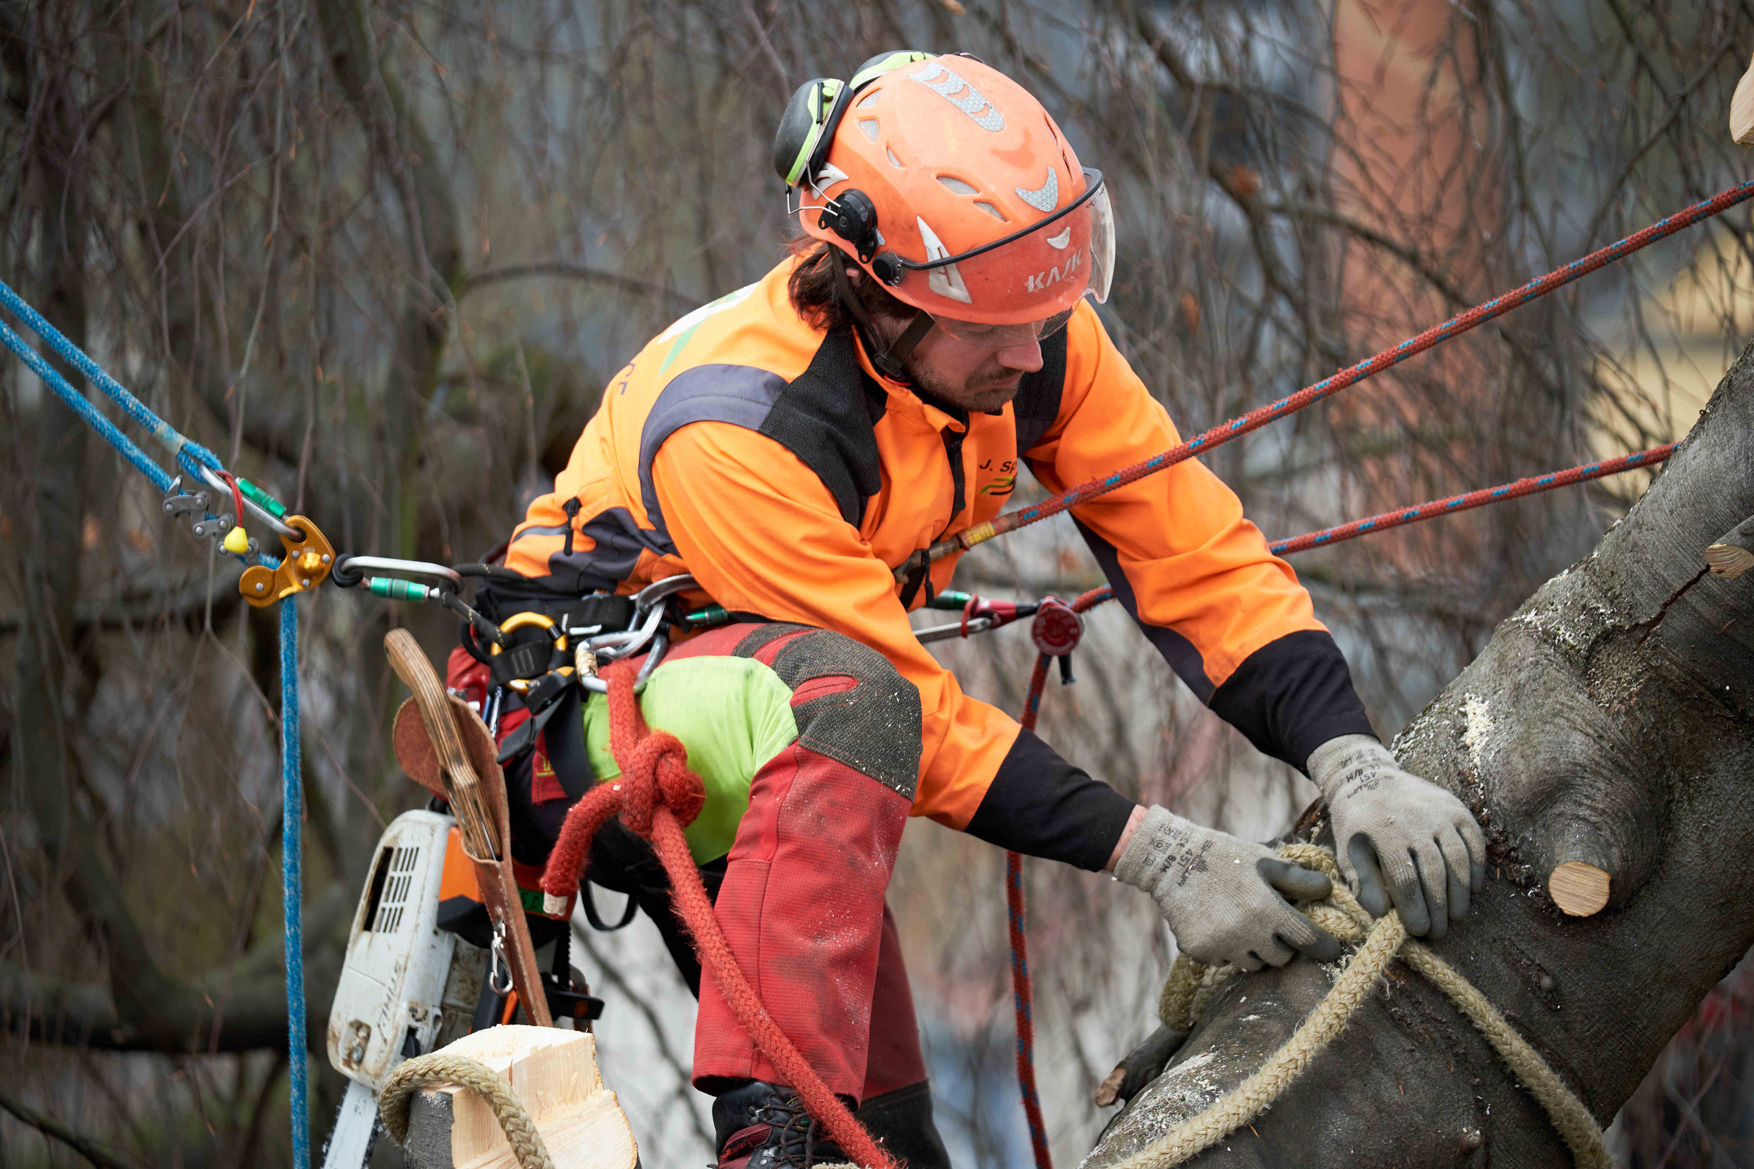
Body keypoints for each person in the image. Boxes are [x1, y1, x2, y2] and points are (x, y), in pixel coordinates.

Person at [482, 50, 1487, 1169]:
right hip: (586, 724)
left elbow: (1188, 544)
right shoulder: (742, 429)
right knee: (849, 705)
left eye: (1043, 313)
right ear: (873, 288)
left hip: (793, 746)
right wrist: (1155, 854)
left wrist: (1346, 753)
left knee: (894, 1144)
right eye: (994, 328)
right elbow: (911, 720)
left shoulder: (1030, 330)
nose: (1030, 349)